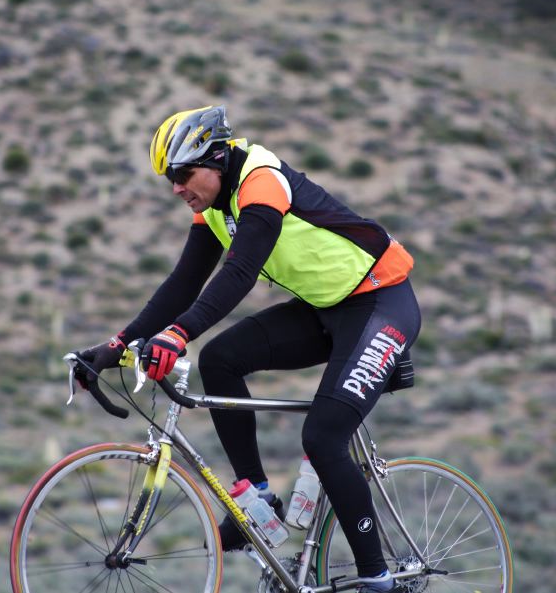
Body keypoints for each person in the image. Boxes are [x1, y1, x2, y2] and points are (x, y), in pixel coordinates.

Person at [77, 105, 420, 593]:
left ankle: (378, 578)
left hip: (381, 303)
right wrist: (115, 346)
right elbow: (183, 285)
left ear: (215, 158)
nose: (175, 187)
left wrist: (176, 336)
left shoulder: (262, 182)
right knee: (220, 360)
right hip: (327, 310)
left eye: (181, 173)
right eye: (168, 178)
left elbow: (237, 275)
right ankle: (257, 502)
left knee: (322, 438)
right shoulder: (213, 208)